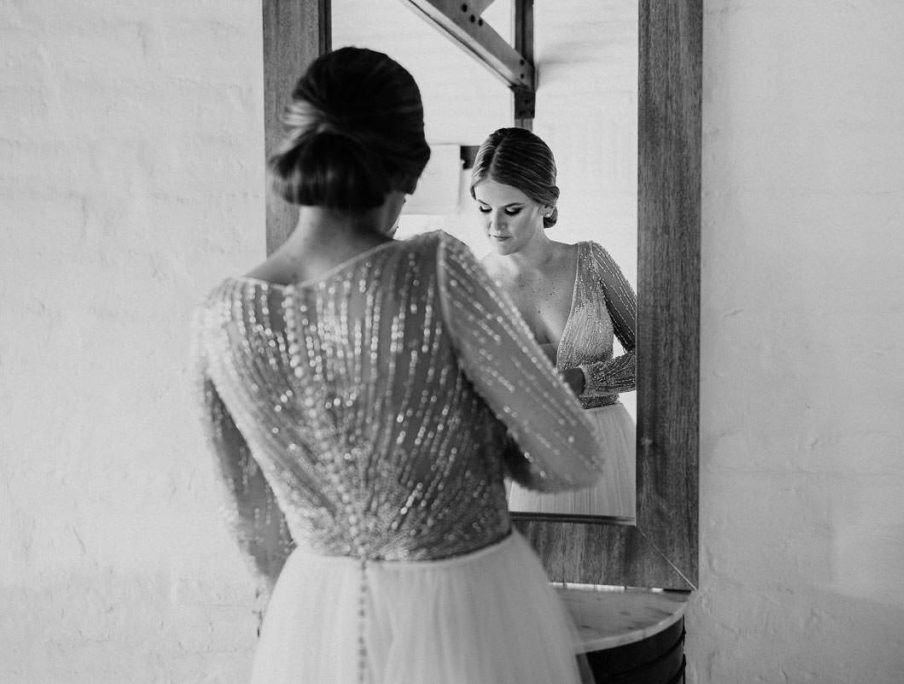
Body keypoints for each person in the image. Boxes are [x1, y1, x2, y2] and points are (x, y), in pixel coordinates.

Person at [190, 47, 601, 684]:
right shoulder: (432, 269)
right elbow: (572, 456)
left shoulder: (220, 316)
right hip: (459, 602)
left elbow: (256, 531)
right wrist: (478, 441)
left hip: (312, 617)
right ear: (411, 165)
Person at [471, 127, 637, 520]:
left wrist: (581, 379)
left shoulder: (591, 262)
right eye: (484, 208)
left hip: (604, 448)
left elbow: (658, 359)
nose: (495, 226)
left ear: (547, 203)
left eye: (512, 210)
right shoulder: (474, 281)